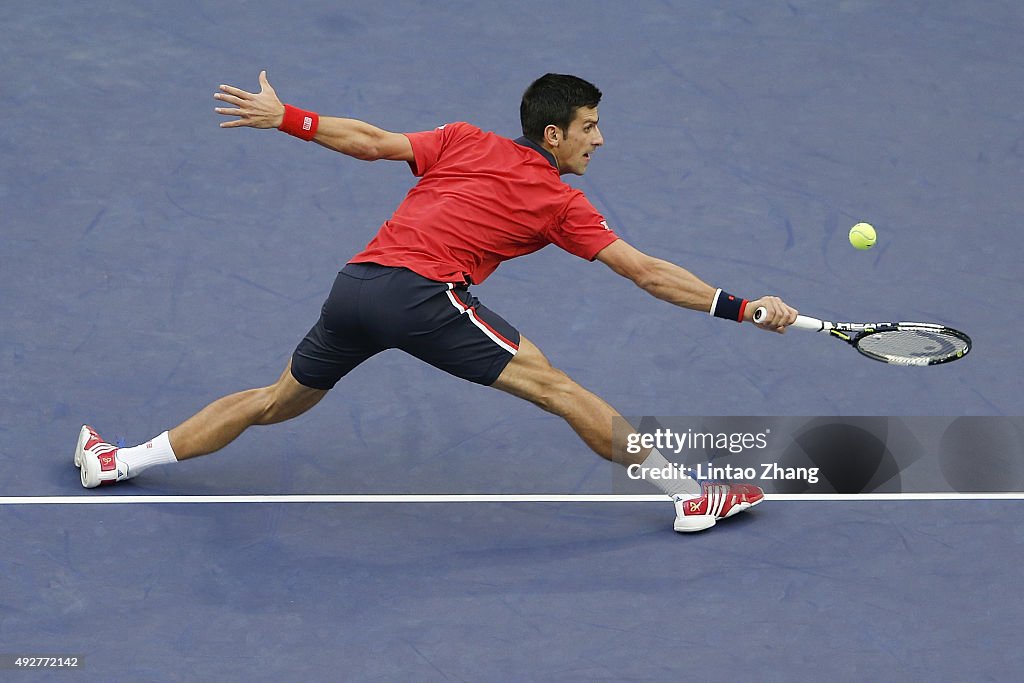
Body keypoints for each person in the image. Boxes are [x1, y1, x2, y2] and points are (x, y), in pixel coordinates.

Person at [75, 71, 798, 532]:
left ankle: (118, 460)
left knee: (278, 399)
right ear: (555, 134)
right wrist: (742, 307)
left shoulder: (462, 139)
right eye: (589, 127)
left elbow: (369, 141)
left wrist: (287, 116)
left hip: (356, 285)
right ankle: (689, 496)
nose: (599, 140)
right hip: (423, 296)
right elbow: (646, 273)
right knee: (554, 386)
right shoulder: (560, 201)